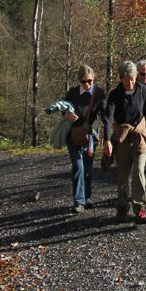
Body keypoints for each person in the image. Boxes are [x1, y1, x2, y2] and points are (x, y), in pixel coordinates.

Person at [104, 60, 146, 224]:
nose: (130, 82)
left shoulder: (142, 90)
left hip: (140, 136)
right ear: (121, 78)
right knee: (123, 175)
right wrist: (107, 140)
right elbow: (107, 118)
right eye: (127, 79)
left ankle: (141, 209)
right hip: (122, 138)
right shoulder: (115, 94)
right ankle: (122, 206)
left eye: (133, 78)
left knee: (139, 172)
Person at [63, 64, 106, 213]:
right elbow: (63, 108)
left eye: (89, 81)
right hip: (74, 135)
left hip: (91, 137)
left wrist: (107, 135)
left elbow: (105, 114)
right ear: (79, 81)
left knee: (87, 168)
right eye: (83, 81)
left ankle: (87, 197)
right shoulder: (73, 93)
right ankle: (79, 201)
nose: (86, 84)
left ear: (93, 79)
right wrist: (67, 115)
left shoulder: (99, 93)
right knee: (78, 166)